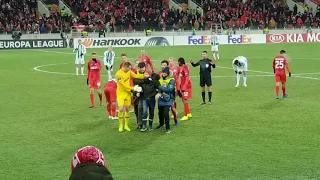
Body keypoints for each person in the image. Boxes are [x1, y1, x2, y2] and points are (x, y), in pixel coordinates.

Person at [115, 62, 145, 132]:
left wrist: (144, 76)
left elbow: (135, 76)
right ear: (125, 67)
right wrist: (133, 88)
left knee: (127, 109)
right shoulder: (118, 74)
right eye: (129, 68)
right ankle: (121, 125)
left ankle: (126, 125)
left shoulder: (129, 71)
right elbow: (123, 85)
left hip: (127, 93)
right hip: (121, 93)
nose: (130, 69)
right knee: (121, 108)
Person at [133, 62, 155, 131]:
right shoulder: (135, 73)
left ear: (145, 67)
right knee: (136, 109)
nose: (142, 69)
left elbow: (149, 81)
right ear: (138, 68)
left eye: (143, 68)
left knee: (141, 108)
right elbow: (135, 81)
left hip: (144, 94)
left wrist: (143, 80)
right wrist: (144, 79)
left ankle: (141, 124)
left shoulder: (148, 72)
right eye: (140, 68)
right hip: (136, 93)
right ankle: (139, 122)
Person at [155, 67, 175, 133]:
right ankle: (161, 124)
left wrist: (159, 86)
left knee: (166, 113)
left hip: (169, 99)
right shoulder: (160, 80)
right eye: (163, 72)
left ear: (168, 73)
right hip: (161, 99)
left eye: (165, 72)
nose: (163, 73)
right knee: (160, 113)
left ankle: (168, 127)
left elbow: (169, 89)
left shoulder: (171, 80)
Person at [168, 57, 180, 125]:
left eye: (171, 61)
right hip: (169, 85)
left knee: (172, 99)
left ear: (174, 61)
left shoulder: (177, 68)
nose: (170, 62)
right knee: (172, 99)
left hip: (175, 86)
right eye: (169, 61)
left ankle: (175, 111)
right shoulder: (168, 68)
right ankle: (174, 111)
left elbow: (179, 77)